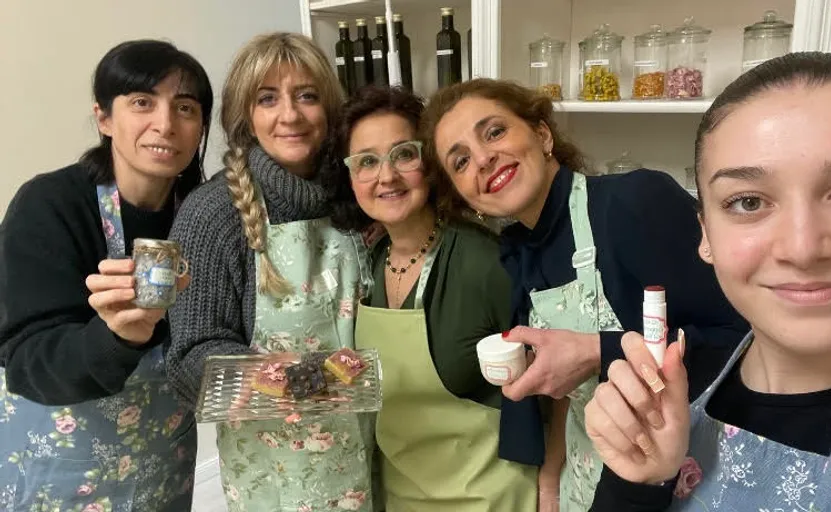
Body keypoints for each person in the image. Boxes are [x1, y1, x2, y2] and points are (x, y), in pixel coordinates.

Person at [585, 52, 831, 512]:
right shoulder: (681, 381)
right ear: (706, 236)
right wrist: (642, 479)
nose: (802, 248)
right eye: (749, 202)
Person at [420, 78, 748, 510]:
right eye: (460, 161)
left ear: (542, 133)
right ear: (466, 199)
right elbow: (565, 393)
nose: (482, 159)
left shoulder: (634, 203)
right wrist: (551, 482)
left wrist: (598, 351)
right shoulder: (520, 252)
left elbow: (744, 340)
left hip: (680, 484)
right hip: (587, 483)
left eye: (495, 132)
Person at [166, 32, 375, 512]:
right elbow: (193, 350)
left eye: (307, 96)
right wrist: (271, 375)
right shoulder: (214, 214)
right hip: (278, 468)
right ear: (246, 117)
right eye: (268, 99)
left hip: (376, 449)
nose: (291, 115)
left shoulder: (362, 190)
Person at [0, 40, 213, 510]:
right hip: (61, 466)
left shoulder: (201, 214)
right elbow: (28, 364)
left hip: (162, 460)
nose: (165, 124)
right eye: (142, 103)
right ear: (103, 118)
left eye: (185, 107)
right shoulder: (49, 206)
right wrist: (114, 336)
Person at [324, 85, 537, 510]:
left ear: (431, 162)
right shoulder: (364, 266)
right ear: (350, 179)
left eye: (404, 154)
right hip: (400, 498)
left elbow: (547, 400)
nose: (387, 176)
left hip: (490, 498)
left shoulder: (484, 263)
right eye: (366, 162)